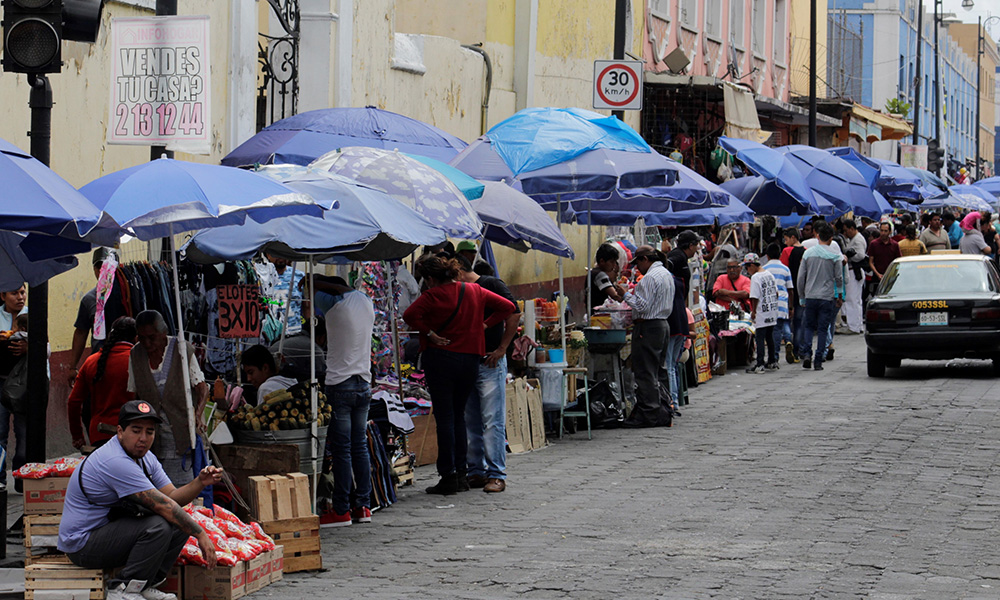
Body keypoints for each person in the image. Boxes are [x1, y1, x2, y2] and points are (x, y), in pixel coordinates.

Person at [58, 400, 223, 600]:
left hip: (108, 532)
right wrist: (201, 535)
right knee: (158, 525)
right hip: (82, 545)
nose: (143, 438)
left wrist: (199, 482)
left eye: (149, 432)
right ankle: (122, 589)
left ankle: (146, 584)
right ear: (120, 431)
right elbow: (164, 506)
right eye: (136, 431)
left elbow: (172, 498)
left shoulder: (145, 457)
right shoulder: (115, 460)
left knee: (179, 524)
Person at [403, 256, 515, 495]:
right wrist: (484, 325)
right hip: (470, 361)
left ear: (431, 278)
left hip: (441, 360)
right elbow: (508, 307)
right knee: (460, 418)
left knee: (446, 419)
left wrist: (430, 333)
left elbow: (409, 316)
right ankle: (463, 474)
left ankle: (449, 475)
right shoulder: (474, 290)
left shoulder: (432, 296)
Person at [308, 275, 376, 527]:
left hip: (340, 385)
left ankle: (341, 509)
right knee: (359, 447)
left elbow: (311, 291)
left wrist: (313, 280)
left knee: (342, 450)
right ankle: (363, 506)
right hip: (363, 383)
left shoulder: (334, 306)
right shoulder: (366, 302)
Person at [456, 256, 520, 494]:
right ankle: (477, 471)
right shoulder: (461, 290)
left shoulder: (491, 284)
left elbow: (513, 312)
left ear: (460, 271)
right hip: (468, 360)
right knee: (471, 419)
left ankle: (496, 474)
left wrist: (503, 348)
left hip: (490, 361)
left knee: (492, 420)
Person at [127, 310, 208, 485]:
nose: (147, 343)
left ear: (163, 333)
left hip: (180, 431)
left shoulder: (182, 350)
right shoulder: (135, 355)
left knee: (181, 486)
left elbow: (202, 388)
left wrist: (198, 414)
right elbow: (134, 395)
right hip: (152, 435)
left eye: (152, 337)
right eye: (142, 338)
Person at [621, 246, 675, 429]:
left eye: (638, 264)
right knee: (658, 369)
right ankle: (663, 408)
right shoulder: (666, 274)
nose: (637, 269)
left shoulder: (650, 278)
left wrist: (625, 294)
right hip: (662, 325)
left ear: (645, 259)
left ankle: (650, 412)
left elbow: (642, 306)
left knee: (645, 371)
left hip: (649, 326)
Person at [68, 317, 137, 450]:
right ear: (136, 338)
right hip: (134, 434)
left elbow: (73, 402)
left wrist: (77, 436)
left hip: (99, 434)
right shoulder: (138, 361)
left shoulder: (91, 361)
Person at [797, 223, 845, 371]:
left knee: (809, 327)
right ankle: (818, 360)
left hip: (811, 296)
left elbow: (801, 278)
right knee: (823, 329)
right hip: (827, 297)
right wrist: (840, 295)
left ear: (817, 236)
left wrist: (802, 297)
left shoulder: (807, 253)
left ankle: (806, 354)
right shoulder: (835, 256)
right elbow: (839, 278)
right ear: (831, 238)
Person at [69, 248, 118, 386]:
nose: (102, 271)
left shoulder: (128, 294)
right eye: (99, 267)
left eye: (107, 267)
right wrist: (73, 366)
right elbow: (81, 332)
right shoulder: (89, 300)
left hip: (125, 362)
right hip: (100, 363)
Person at [0, 284, 27, 489]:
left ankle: (21, 478)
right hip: (1, 382)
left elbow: (47, 349)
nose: (20, 297)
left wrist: (31, 346)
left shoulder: (32, 316)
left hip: (25, 384)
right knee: (0, 433)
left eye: (23, 292)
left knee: (23, 433)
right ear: (3, 295)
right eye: (14, 293)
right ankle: (0, 478)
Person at [744, 254, 779, 374]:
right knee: (770, 337)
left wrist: (753, 311)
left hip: (762, 311)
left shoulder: (756, 277)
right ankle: (772, 361)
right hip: (771, 309)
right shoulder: (769, 274)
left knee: (760, 337)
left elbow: (754, 296)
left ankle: (760, 363)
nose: (747, 271)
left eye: (747, 267)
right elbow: (776, 292)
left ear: (752, 265)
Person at [762, 244, 795, 362]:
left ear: (767, 256)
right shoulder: (785, 269)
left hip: (770, 303)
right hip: (783, 303)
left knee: (773, 331)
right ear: (780, 255)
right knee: (782, 325)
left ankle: (774, 356)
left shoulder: (764, 269)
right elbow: (790, 289)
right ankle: (788, 340)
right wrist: (791, 307)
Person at [780, 229, 807, 362]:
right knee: (800, 322)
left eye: (786, 240)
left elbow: (783, 271)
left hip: (789, 290)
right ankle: (801, 349)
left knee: (788, 319)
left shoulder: (787, 252)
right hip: (803, 291)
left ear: (792, 238)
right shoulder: (807, 251)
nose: (785, 243)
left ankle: (790, 343)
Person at [841, 220, 868, 335]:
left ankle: (853, 326)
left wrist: (850, 257)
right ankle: (857, 325)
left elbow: (860, 255)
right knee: (856, 300)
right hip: (855, 272)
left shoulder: (857, 239)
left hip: (854, 271)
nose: (846, 233)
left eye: (847, 230)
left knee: (851, 299)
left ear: (852, 228)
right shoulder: (855, 239)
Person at [589, 243, 625, 309]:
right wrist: (627, 299)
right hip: (598, 314)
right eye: (612, 262)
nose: (614, 265)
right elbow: (615, 296)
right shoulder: (600, 275)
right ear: (602, 261)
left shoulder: (593, 272)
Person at [666, 230, 701, 296]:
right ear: (691, 246)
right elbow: (666, 265)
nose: (696, 249)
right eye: (696, 245)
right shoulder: (679, 256)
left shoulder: (682, 255)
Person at [868, 222, 901, 291]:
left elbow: (898, 261)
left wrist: (892, 274)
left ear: (890, 232)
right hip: (877, 277)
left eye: (885, 231)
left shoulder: (895, 245)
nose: (883, 233)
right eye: (881, 230)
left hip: (891, 277)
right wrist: (878, 274)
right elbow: (871, 262)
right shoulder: (874, 244)